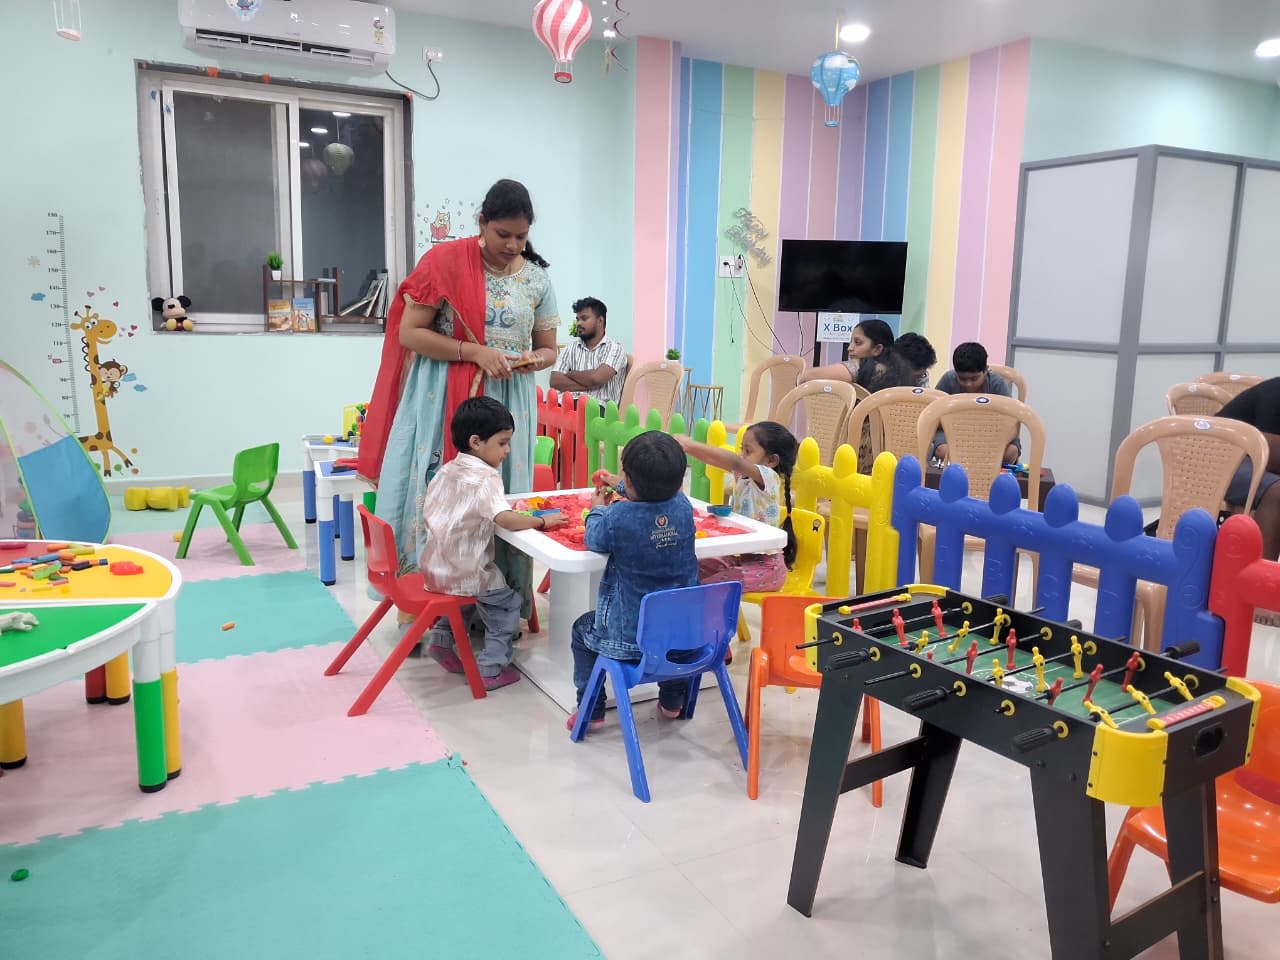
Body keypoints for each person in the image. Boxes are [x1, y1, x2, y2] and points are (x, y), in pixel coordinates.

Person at [359, 179, 560, 619]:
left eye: (521, 236)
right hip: (444, 398)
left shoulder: (537, 278)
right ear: (482, 223)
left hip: (509, 401)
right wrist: (472, 352)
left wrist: (533, 359)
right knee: (441, 492)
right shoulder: (444, 262)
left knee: (497, 497)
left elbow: (549, 347)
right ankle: (426, 604)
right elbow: (410, 333)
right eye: (502, 234)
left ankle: (496, 605)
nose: (512, 245)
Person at [419, 397, 566, 690]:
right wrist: (540, 521)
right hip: (467, 572)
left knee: (463, 602)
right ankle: (490, 667)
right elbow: (505, 519)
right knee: (506, 606)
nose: (508, 450)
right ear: (476, 441)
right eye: (502, 443)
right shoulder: (486, 477)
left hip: (433, 568)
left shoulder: (446, 469)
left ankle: (440, 641)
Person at [568, 432, 699, 730]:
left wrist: (597, 506)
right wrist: (616, 481)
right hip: (685, 637)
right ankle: (672, 701)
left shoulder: (617, 516)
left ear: (627, 479)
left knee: (581, 630)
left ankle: (593, 708)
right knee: (671, 627)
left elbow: (594, 538)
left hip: (629, 641)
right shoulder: (682, 506)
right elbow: (652, 503)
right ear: (680, 483)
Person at [674, 422, 798, 593]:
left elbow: (736, 462)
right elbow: (713, 460)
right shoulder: (744, 474)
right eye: (742, 449)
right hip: (739, 556)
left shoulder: (770, 477)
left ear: (771, 460)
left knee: (704, 588)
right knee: (691, 566)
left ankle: (704, 615)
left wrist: (690, 444)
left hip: (766, 568)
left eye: (748, 451)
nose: (742, 455)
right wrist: (688, 449)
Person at [1217, 377, 1280, 572]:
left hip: (1249, 458)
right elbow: (1269, 457)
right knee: (1277, 492)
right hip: (1215, 457)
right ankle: (1256, 584)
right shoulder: (1275, 394)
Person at [931, 341, 1020, 465]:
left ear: (985, 370)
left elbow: (1013, 423)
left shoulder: (997, 384)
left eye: (974, 379)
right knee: (942, 450)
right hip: (955, 433)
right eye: (962, 379)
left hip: (992, 436)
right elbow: (933, 414)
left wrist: (994, 445)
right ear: (956, 373)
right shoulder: (948, 380)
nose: (968, 384)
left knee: (1011, 452)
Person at [799, 318, 916, 392]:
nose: (850, 348)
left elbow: (810, 375)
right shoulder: (903, 371)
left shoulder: (865, 366)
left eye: (858, 343)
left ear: (877, 349)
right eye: (850, 342)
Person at [549, 297, 628, 405]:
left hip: (598, 409)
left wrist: (571, 374)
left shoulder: (615, 348)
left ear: (600, 320)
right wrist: (590, 383)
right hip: (566, 404)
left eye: (584, 318)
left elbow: (597, 378)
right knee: (538, 410)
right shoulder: (571, 347)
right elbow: (554, 380)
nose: (579, 323)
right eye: (577, 319)